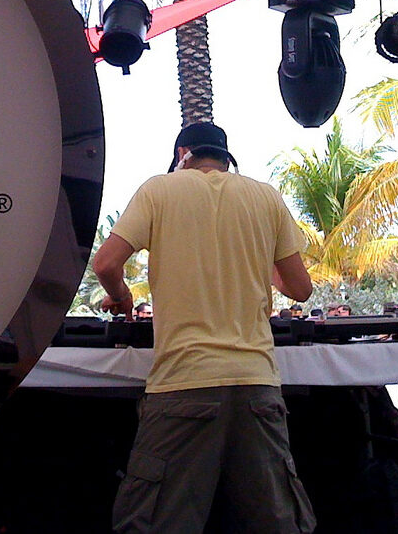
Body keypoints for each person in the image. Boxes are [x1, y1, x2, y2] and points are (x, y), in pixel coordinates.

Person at [93, 121, 316, 533]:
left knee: (155, 523)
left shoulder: (159, 190)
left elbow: (105, 264)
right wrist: (254, 259)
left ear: (183, 155)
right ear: (225, 158)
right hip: (256, 386)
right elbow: (300, 289)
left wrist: (122, 298)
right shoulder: (265, 197)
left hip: (182, 383)